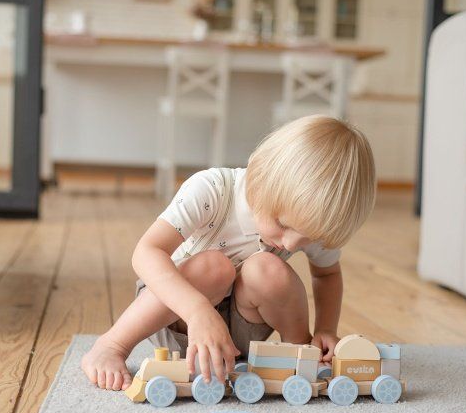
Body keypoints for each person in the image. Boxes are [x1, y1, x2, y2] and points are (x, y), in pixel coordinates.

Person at [81, 114, 376, 390]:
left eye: (307, 239)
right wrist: (197, 311)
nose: (289, 245)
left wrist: (326, 328)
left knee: (268, 269)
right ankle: (112, 345)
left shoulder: (310, 219)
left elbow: (327, 275)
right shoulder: (212, 190)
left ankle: (301, 352)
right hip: (173, 315)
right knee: (215, 267)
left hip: (238, 334)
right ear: (260, 177)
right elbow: (146, 252)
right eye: (283, 225)